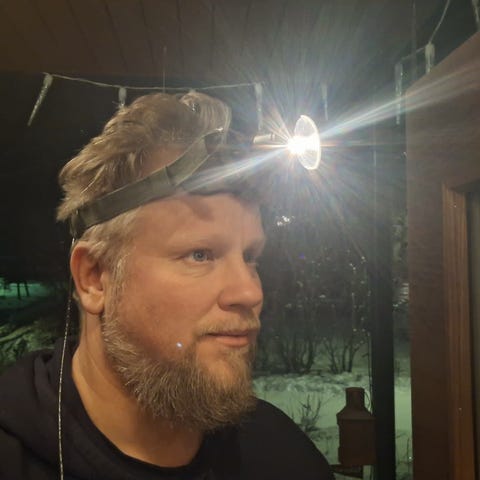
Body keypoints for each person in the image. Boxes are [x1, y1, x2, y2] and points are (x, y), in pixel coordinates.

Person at [0, 92, 334, 480]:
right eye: (200, 255)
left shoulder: (283, 457)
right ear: (94, 277)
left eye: (250, 257)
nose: (250, 293)